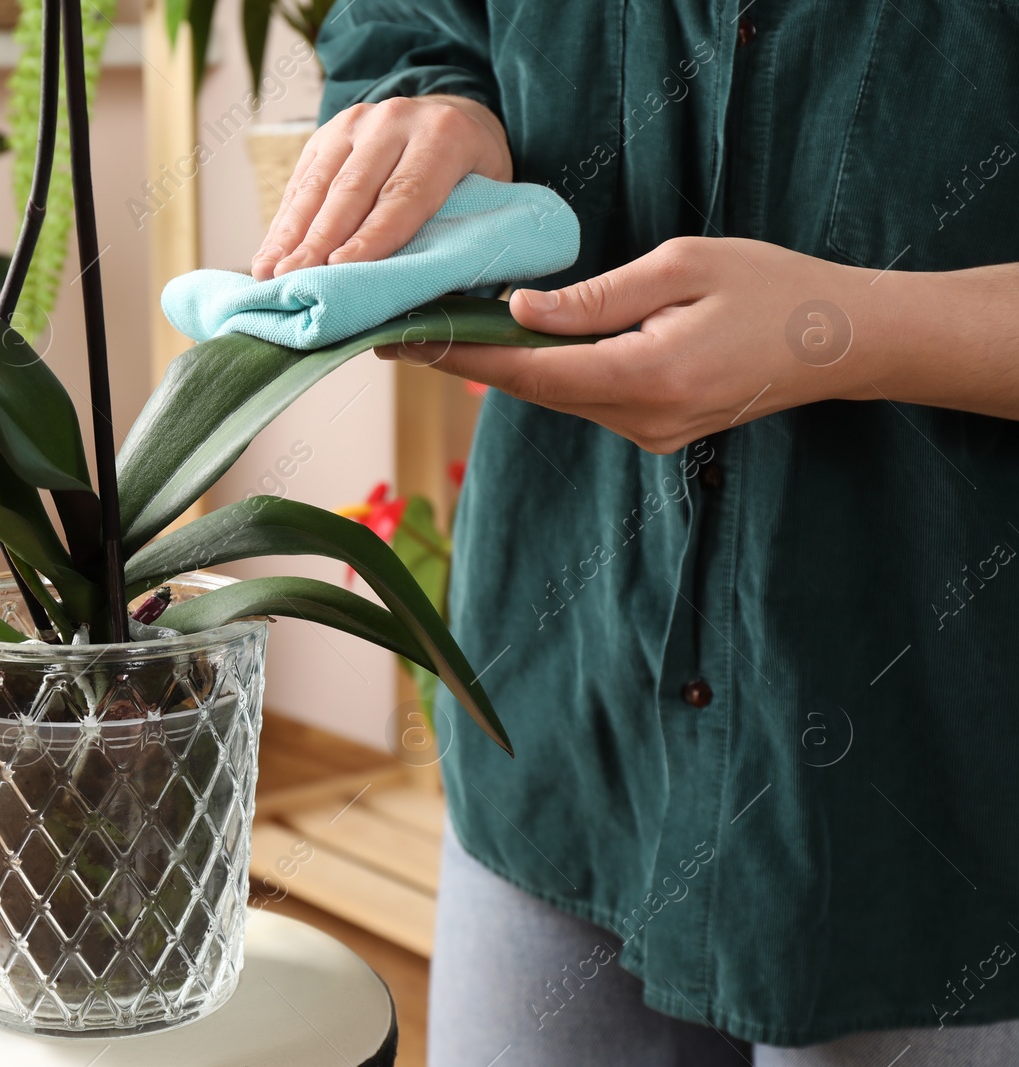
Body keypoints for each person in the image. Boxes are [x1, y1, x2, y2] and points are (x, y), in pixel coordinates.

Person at [253, 2, 1019, 1064]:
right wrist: (441, 112)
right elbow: (411, 29)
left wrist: (845, 330)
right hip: (559, 724)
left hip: (940, 811)